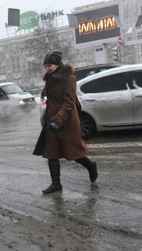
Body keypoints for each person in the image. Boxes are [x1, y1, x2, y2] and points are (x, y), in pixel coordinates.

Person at [33, 51, 98, 194]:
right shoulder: (49, 79)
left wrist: (58, 119)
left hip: (66, 121)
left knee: (73, 152)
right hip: (52, 121)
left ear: (57, 64)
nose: (47, 68)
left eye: (49, 65)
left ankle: (90, 165)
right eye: (46, 66)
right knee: (51, 152)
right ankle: (56, 184)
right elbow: (50, 96)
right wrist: (44, 95)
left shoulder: (69, 79)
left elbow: (69, 103)